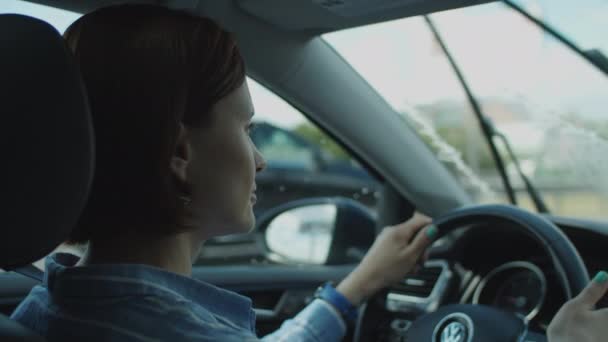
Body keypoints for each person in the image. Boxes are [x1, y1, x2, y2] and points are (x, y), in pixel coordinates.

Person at [10, 4, 608, 342]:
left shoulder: (49, 310)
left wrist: (354, 289)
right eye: (246, 130)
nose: (262, 158)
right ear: (180, 153)